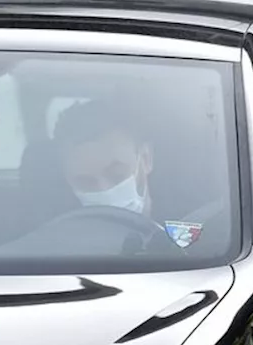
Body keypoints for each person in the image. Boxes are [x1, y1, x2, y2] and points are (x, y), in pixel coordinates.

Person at [41, 98, 225, 249]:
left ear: (145, 159)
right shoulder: (52, 248)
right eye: (86, 182)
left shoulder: (200, 231)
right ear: (67, 181)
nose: (105, 190)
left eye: (117, 174)